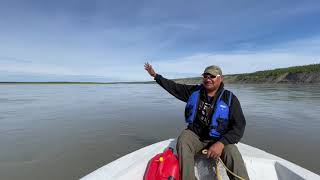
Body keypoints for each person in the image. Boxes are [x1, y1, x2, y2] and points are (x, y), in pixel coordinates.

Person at [144, 62, 250, 180]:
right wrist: (155, 76)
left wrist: (221, 143)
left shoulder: (230, 99)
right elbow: (174, 87)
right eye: (205, 76)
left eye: (212, 76)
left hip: (219, 138)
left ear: (221, 79)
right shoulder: (194, 92)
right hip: (196, 136)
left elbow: (239, 126)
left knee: (232, 151)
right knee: (184, 139)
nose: (208, 79)